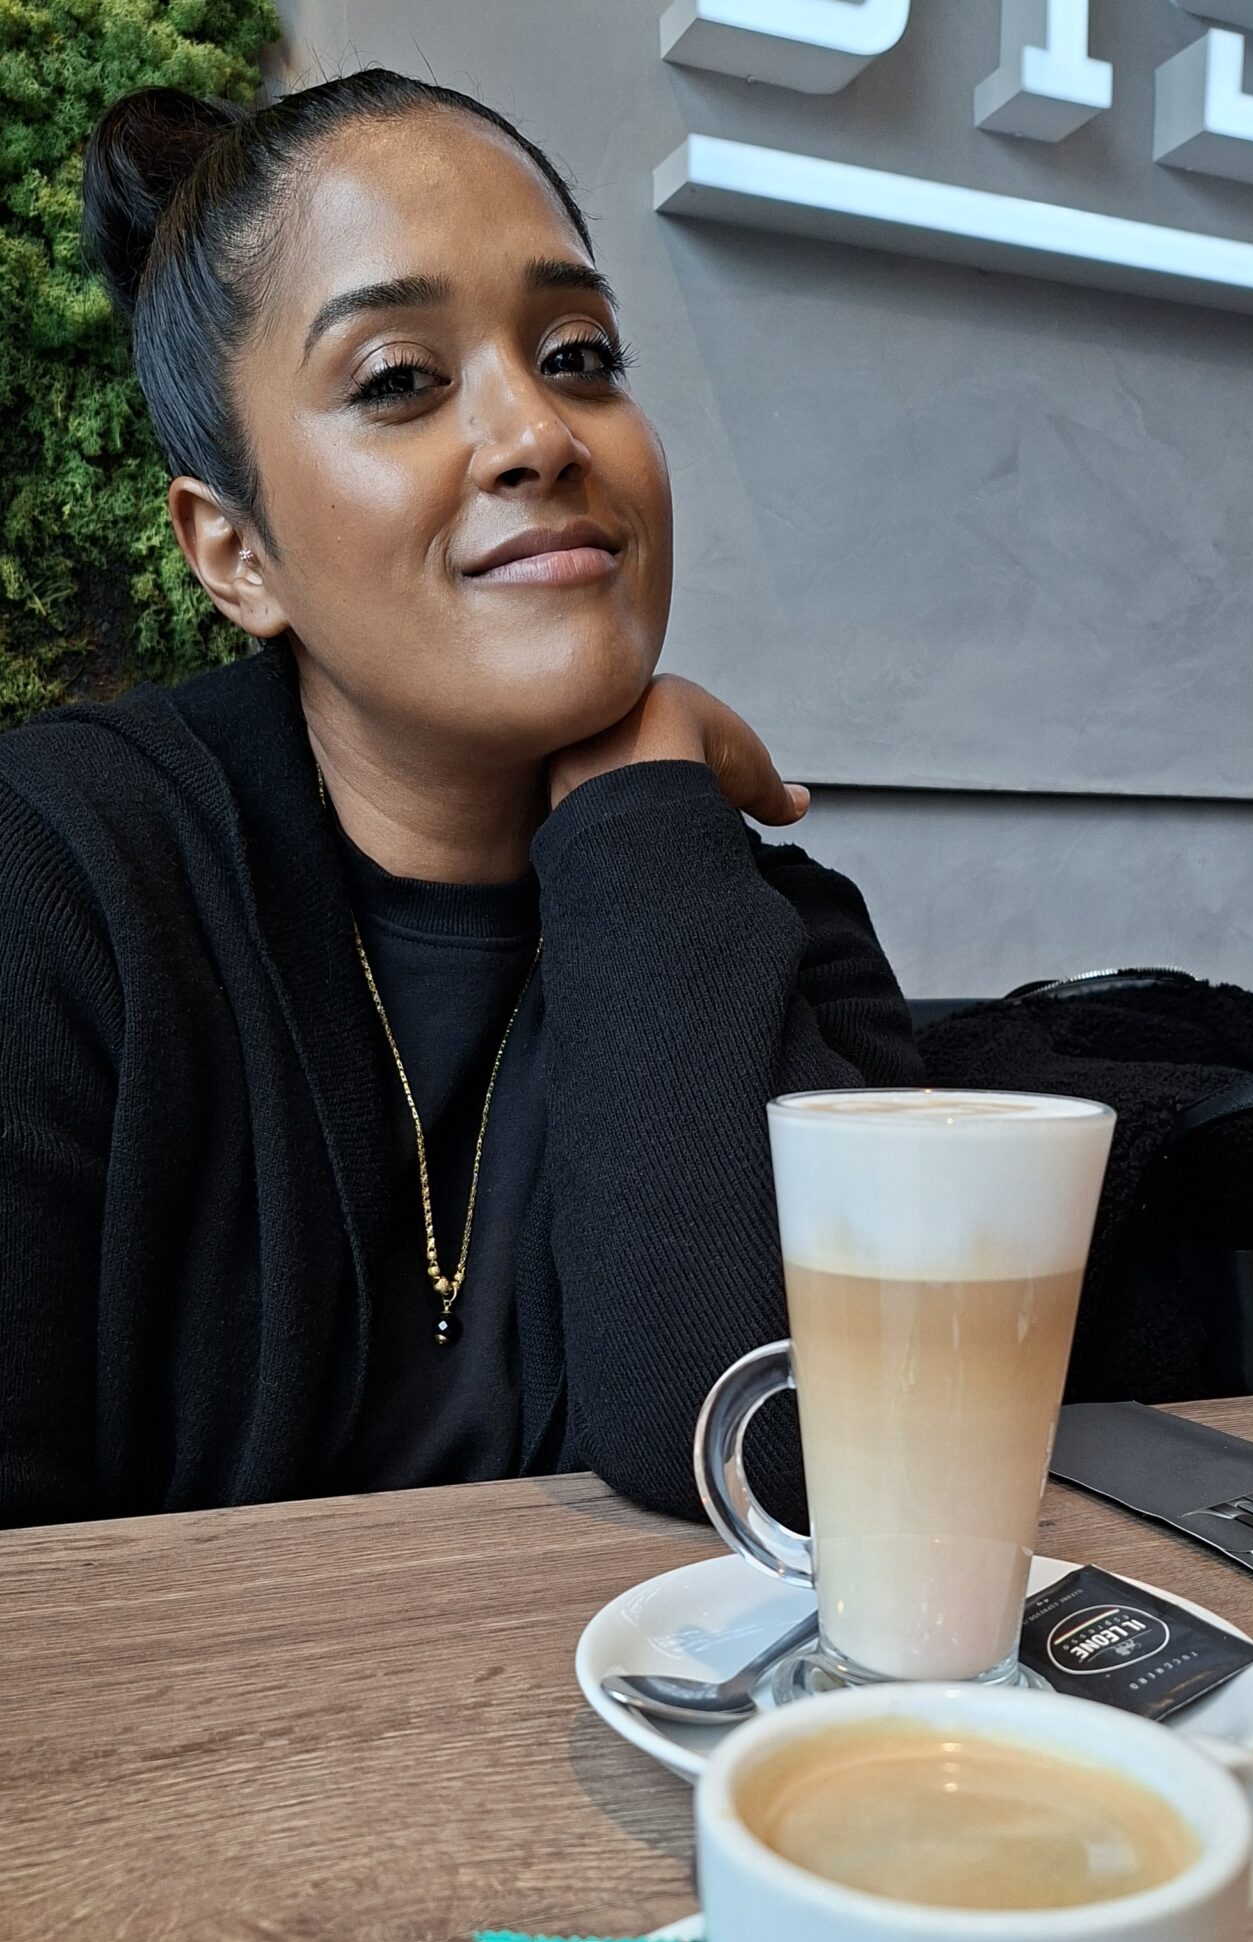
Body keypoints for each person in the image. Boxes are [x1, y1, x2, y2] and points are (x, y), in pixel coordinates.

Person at [0, 70, 919, 1530]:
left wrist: (637, 810)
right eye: (398, 380)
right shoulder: (57, 882)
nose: (540, 433)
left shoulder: (762, 927)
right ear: (234, 552)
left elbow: (788, 1471)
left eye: (579, 354)